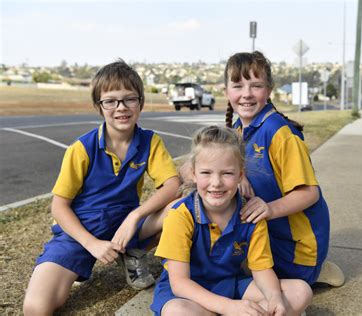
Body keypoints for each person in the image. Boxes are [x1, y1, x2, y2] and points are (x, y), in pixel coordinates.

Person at [23, 60, 180, 315]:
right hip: (81, 232)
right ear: (99, 106)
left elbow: (173, 185)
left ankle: (132, 253)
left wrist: (135, 216)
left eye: (129, 99)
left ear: (140, 102)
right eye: (111, 101)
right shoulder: (81, 149)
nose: (121, 108)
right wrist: (91, 243)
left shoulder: (150, 141)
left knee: (182, 207)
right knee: (35, 308)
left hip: (123, 227)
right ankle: (76, 264)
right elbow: (58, 206)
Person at [151, 126, 312, 316]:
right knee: (177, 312)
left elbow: (261, 270)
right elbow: (180, 283)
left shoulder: (250, 214)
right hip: (188, 295)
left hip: (229, 284)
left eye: (227, 173)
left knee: (301, 291)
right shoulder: (181, 215)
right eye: (206, 173)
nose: (216, 182)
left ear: (240, 175)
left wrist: (275, 297)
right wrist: (228, 307)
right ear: (193, 174)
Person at [224, 51, 345, 288]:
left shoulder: (280, 134)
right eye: (238, 85)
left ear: (269, 90)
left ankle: (306, 276)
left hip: (295, 249)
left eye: (256, 85)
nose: (246, 94)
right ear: (226, 91)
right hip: (271, 236)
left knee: (221, 267)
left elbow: (310, 193)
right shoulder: (238, 128)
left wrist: (268, 209)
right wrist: (241, 176)